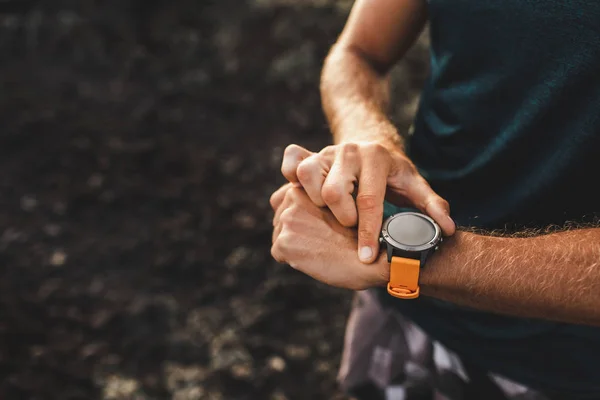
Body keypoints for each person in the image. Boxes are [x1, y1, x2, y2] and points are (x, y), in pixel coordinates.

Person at [269, 0, 600, 399]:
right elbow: (358, 52)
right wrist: (369, 144)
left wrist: (404, 259)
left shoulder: (392, 262)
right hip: (399, 307)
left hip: (564, 369)